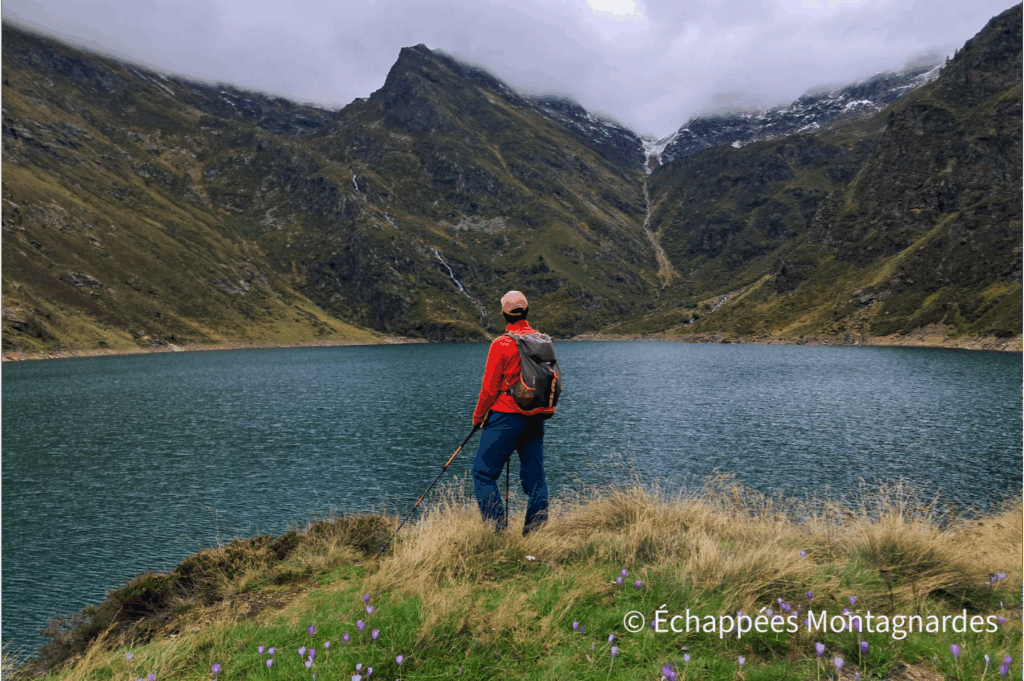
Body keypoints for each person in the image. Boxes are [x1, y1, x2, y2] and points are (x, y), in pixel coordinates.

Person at [471, 290, 550, 535]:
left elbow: (489, 388)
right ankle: (534, 533)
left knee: (483, 473)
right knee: (535, 478)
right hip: (536, 416)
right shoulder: (543, 340)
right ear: (527, 311)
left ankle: (496, 531)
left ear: (505, 314)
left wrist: (478, 418)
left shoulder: (501, 344)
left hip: (505, 416)